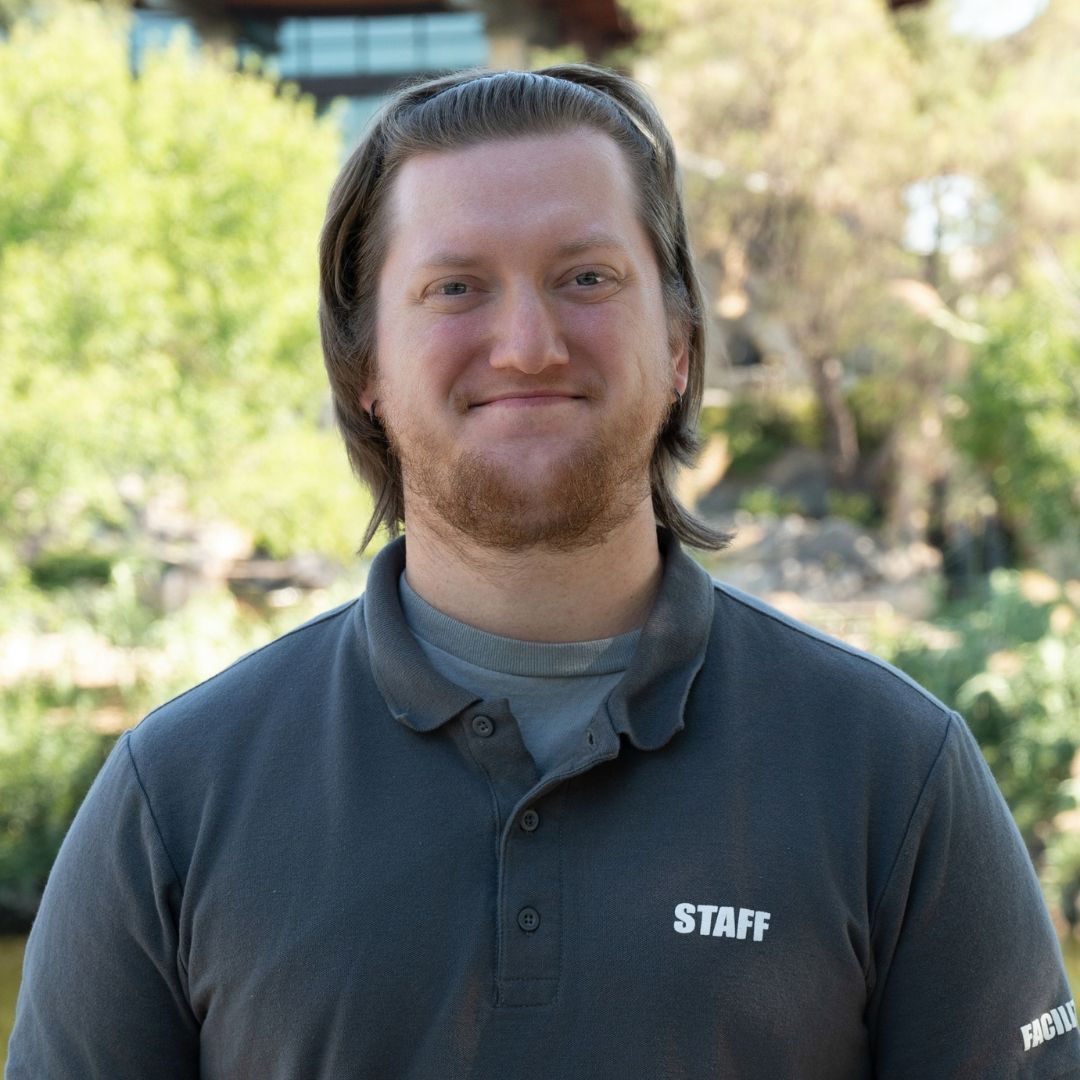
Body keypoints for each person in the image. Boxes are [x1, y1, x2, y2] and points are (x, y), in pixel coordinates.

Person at [7, 65, 1079, 1080]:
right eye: (455, 286)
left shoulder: (894, 773)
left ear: (681, 346)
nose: (527, 344)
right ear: (365, 364)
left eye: (586, 278)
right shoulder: (175, 796)